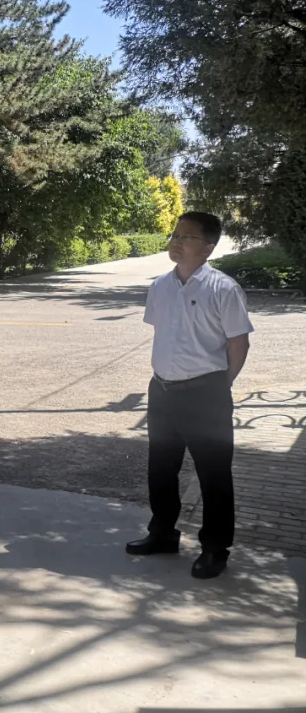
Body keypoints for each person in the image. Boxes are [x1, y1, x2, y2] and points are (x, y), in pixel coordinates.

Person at [126, 212, 253, 580]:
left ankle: (215, 548)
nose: (176, 241)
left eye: (187, 236)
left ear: (208, 247)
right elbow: (163, 334)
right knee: (161, 469)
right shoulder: (160, 286)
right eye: (175, 234)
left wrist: (219, 386)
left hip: (206, 393)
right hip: (162, 390)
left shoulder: (223, 289)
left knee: (214, 475)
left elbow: (239, 344)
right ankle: (162, 533)